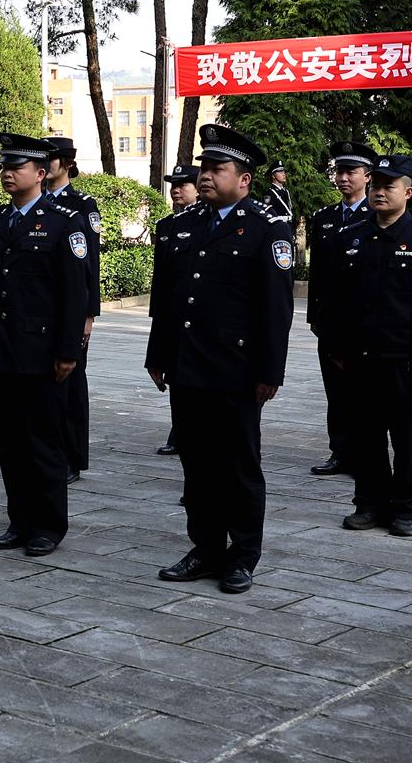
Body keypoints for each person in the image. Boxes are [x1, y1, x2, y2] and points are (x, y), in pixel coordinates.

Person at [146, 123, 293, 594]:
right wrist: (158, 354)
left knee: (238, 466)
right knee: (197, 465)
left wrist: (270, 370)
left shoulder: (267, 228)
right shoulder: (183, 225)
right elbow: (167, 298)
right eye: (204, 167)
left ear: (244, 178)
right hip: (188, 367)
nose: (205, 175)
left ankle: (243, 554)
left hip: (236, 370)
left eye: (217, 168)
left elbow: (276, 308)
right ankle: (206, 547)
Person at [0, 132, 87, 556]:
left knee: (43, 442)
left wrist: (67, 351)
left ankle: (48, 525)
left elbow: (73, 294)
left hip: (42, 353)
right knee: (11, 442)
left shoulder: (64, 222)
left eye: (17, 166)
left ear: (40, 173)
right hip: (3, 350)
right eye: (5, 165)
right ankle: (19, 520)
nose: (7, 172)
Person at [328, 154, 412, 536]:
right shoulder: (350, 237)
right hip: (359, 359)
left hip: (404, 359)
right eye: (377, 185)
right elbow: (336, 297)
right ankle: (368, 502)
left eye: (390, 186)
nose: (381, 192)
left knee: (407, 437)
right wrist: (336, 344)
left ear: (408, 192)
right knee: (365, 435)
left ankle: (403, 505)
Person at [307, 140, 378, 477]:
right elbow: (318, 273)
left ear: (367, 176)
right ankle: (340, 451)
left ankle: (364, 452)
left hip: (364, 323)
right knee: (335, 391)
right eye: (339, 171)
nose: (343, 178)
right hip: (331, 321)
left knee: (364, 394)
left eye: (351, 171)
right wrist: (315, 318)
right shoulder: (324, 218)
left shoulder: (377, 216)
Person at [43, 137, 100, 483]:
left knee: (72, 383)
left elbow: (88, 263)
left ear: (66, 163)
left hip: (74, 312)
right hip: (44, 313)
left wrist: (88, 314)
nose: (46, 165)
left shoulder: (82, 204)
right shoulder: (36, 203)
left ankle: (72, 456)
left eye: (51, 159)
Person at [150, 164, 201, 457]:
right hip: (170, 315)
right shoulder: (166, 225)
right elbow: (161, 279)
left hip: (192, 317)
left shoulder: (200, 224)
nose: (177, 190)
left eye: (184, 185)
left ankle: (185, 433)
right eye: (174, 185)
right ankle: (177, 431)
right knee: (174, 377)